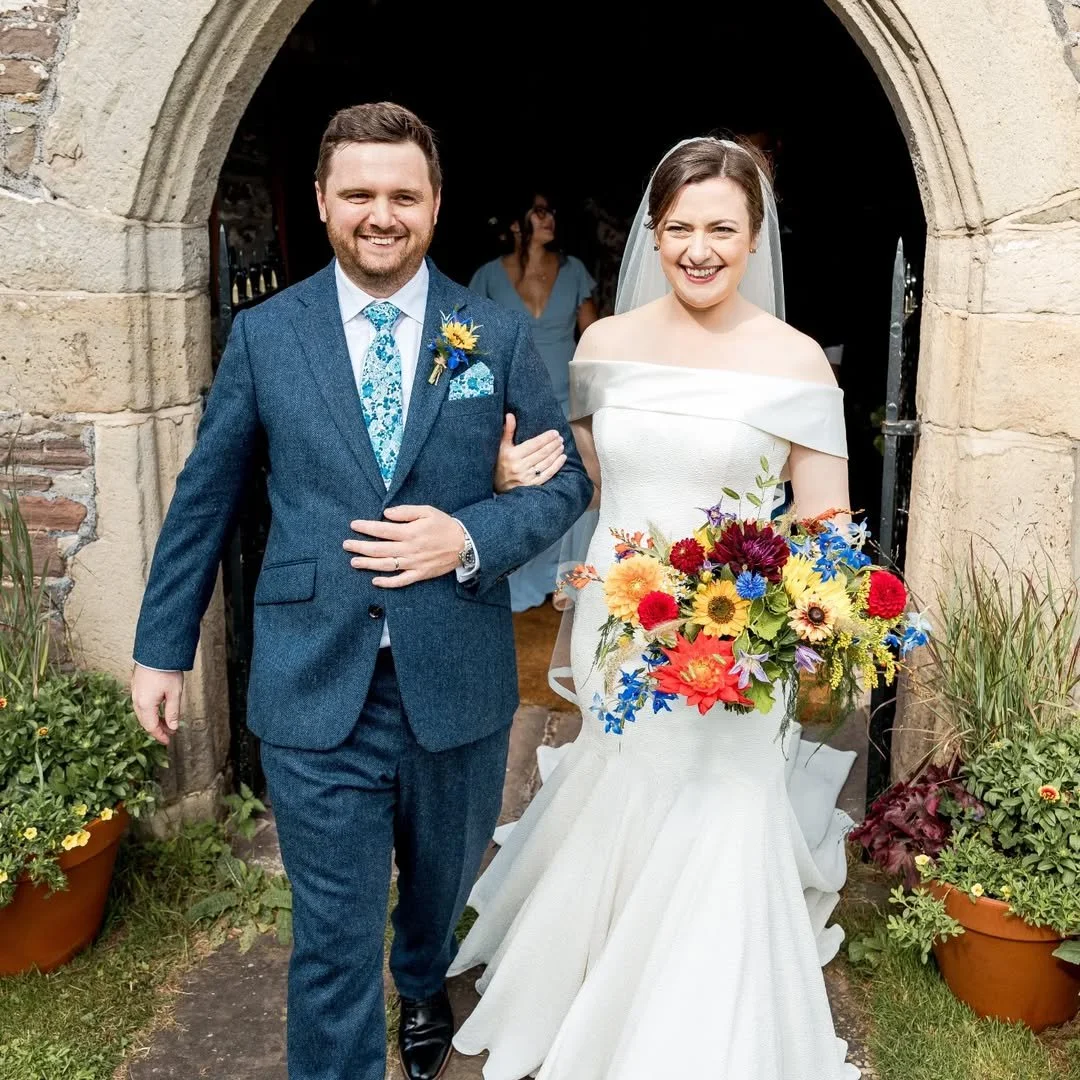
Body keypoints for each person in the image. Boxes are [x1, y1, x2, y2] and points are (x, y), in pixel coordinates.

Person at [128, 102, 592, 1080]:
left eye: (402, 195)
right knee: (333, 941)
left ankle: (423, 974)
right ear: (323, 201)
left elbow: (565, 486)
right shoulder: (266, 335)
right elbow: (206, 498)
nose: (381, 214)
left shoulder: (491, 337)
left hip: (456, 674)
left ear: (434, 203)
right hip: (315, 675)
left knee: (434, 891)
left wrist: (469, 531)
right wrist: (162, 646)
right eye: (359, 194)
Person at [448, 138, 861, 1079]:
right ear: (654, 233)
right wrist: (509, 474)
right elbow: (589, 479)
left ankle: (692, 1013)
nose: (699, 248)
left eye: (722, 227)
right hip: (621, 625)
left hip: (735, 640)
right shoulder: (604, 345)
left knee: (716, 803)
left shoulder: (796, 362)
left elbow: (826, 522)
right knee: (629, 782)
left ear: (756, 238)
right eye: (681, 228)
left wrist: (776, 615)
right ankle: (591, 969)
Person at [469, 191, 598, 611]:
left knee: (577, 484)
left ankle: (569, 580)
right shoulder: (489, 276)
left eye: (552, 210)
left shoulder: (574, 270)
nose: (549, 218)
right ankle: (521, 580)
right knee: (524, 488)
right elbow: (472, 343)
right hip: (513, 404)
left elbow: (593, 339)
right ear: (515, 225)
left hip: (569, 397)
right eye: (540, 211)